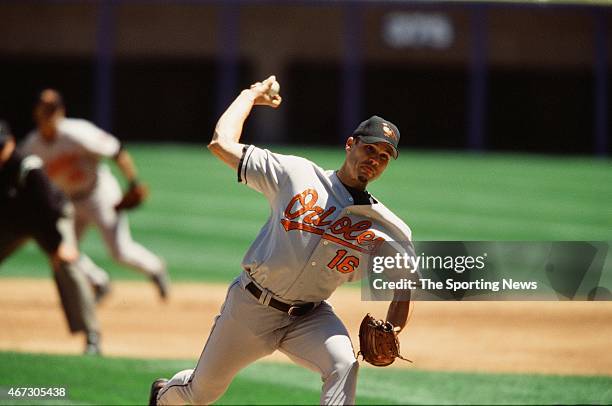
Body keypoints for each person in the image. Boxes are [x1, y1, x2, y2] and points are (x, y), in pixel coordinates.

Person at [149, 75, 413, 405]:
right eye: (369, 148)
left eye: (384, 156)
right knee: (199, 394)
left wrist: (394, 328)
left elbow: (404, 285)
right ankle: (162, 394)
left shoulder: (389, 228)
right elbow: (221, 144)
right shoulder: (297, 174)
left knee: (344, 365)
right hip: (250, 308)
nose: (374, 158)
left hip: (311, 318)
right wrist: (249, 95)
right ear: (350, 145)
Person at [21, 89, 170, 299]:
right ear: (36, 112)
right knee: (63, 251)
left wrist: (133, 182)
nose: (49, 115)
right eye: (44, 109)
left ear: (61, 111)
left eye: (53, 109)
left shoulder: (78, 132)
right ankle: (99, 281)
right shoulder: (31, 146)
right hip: (68, 201)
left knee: (120, 251)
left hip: (99, 194)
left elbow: (116, 150)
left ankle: (155, 268)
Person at [0, 119, 101, 354]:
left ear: (12, 143)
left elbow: (48, 209)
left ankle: (92, 336)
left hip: (51, 219)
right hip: (14, 224)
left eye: (0, 147)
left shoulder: (28, 168)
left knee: (67, 265)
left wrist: (58, 246)